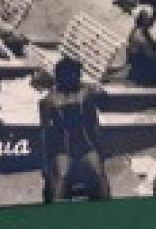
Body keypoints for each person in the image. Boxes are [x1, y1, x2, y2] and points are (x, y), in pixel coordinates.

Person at [38, 57, 110, 203]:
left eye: (77, 75)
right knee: (62, 175)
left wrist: (100, 150)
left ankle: (108, 206)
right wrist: (45, 164)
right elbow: (45, 133)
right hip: (63, 147)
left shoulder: (85, 93)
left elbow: (99, 113)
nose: (76, 78)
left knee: (99, 173)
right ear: (61, 77)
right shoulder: (48, 101)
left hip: (85, 144)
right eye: (73, 75)